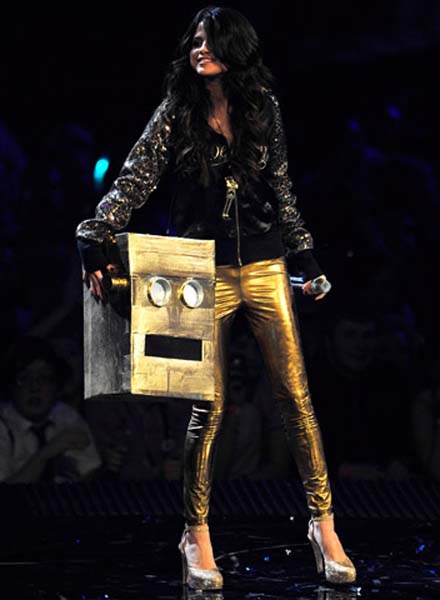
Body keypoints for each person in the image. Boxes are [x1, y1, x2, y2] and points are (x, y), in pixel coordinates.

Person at [75, 6, 355, 590]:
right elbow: (134, 178)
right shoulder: (177, 111)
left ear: (236, 49)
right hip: (202, 271)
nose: (201, 48)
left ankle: (323, 525)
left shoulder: (262, 109)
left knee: (296, 398)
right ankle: (196, 535)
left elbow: (281, 188)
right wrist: (96, 234)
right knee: (211, 408)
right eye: (196, 40)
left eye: (212, 40)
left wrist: (305, 256)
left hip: (265, 265)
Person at [0, 336, 101, 483]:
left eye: (44, 378)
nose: (34, 387)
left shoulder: (65, 416)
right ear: (11, 385)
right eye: (24, 378)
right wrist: (48, 452)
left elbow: (91, 471)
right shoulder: (3, 424)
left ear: (57, 386)